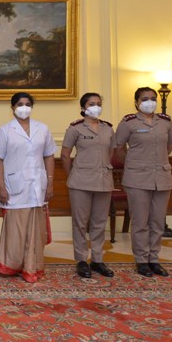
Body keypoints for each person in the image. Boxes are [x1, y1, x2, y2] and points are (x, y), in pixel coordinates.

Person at [0, 92, 56, 283]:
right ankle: (12, 265)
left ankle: (32, 266)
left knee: (35, 230)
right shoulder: (5, 130)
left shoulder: (42, 129)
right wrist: (1, 186)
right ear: (12, 108)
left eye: (28, 104)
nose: (24, 108)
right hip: (14, 187)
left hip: (38, 186)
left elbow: (49, 156)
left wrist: (50, 182)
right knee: (16, 230)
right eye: (20, 104)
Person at [115, 87, 172, 277]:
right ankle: (141, 260)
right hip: (137, 178)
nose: (149, 102)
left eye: (152, 98)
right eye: (144, 99)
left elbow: (170, 145)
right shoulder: (128, 122)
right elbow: (119, 148)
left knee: (157, 222)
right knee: (140, 222)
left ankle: (154, 259)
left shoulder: (165, 121)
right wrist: (133, 164)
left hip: (162, 178)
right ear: (136, 102)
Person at [60, 92, 116, 278]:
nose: (96, 107)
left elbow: (111, 152)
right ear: (83, 107)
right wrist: (72, 175)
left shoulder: (108, 128)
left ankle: (98, 260)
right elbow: (65, 155)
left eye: (98, 103)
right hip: (80, 182)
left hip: (103, 181)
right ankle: (82, 260)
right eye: (91, 104)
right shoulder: (75, 128)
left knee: (99, 222)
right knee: (80, 223)